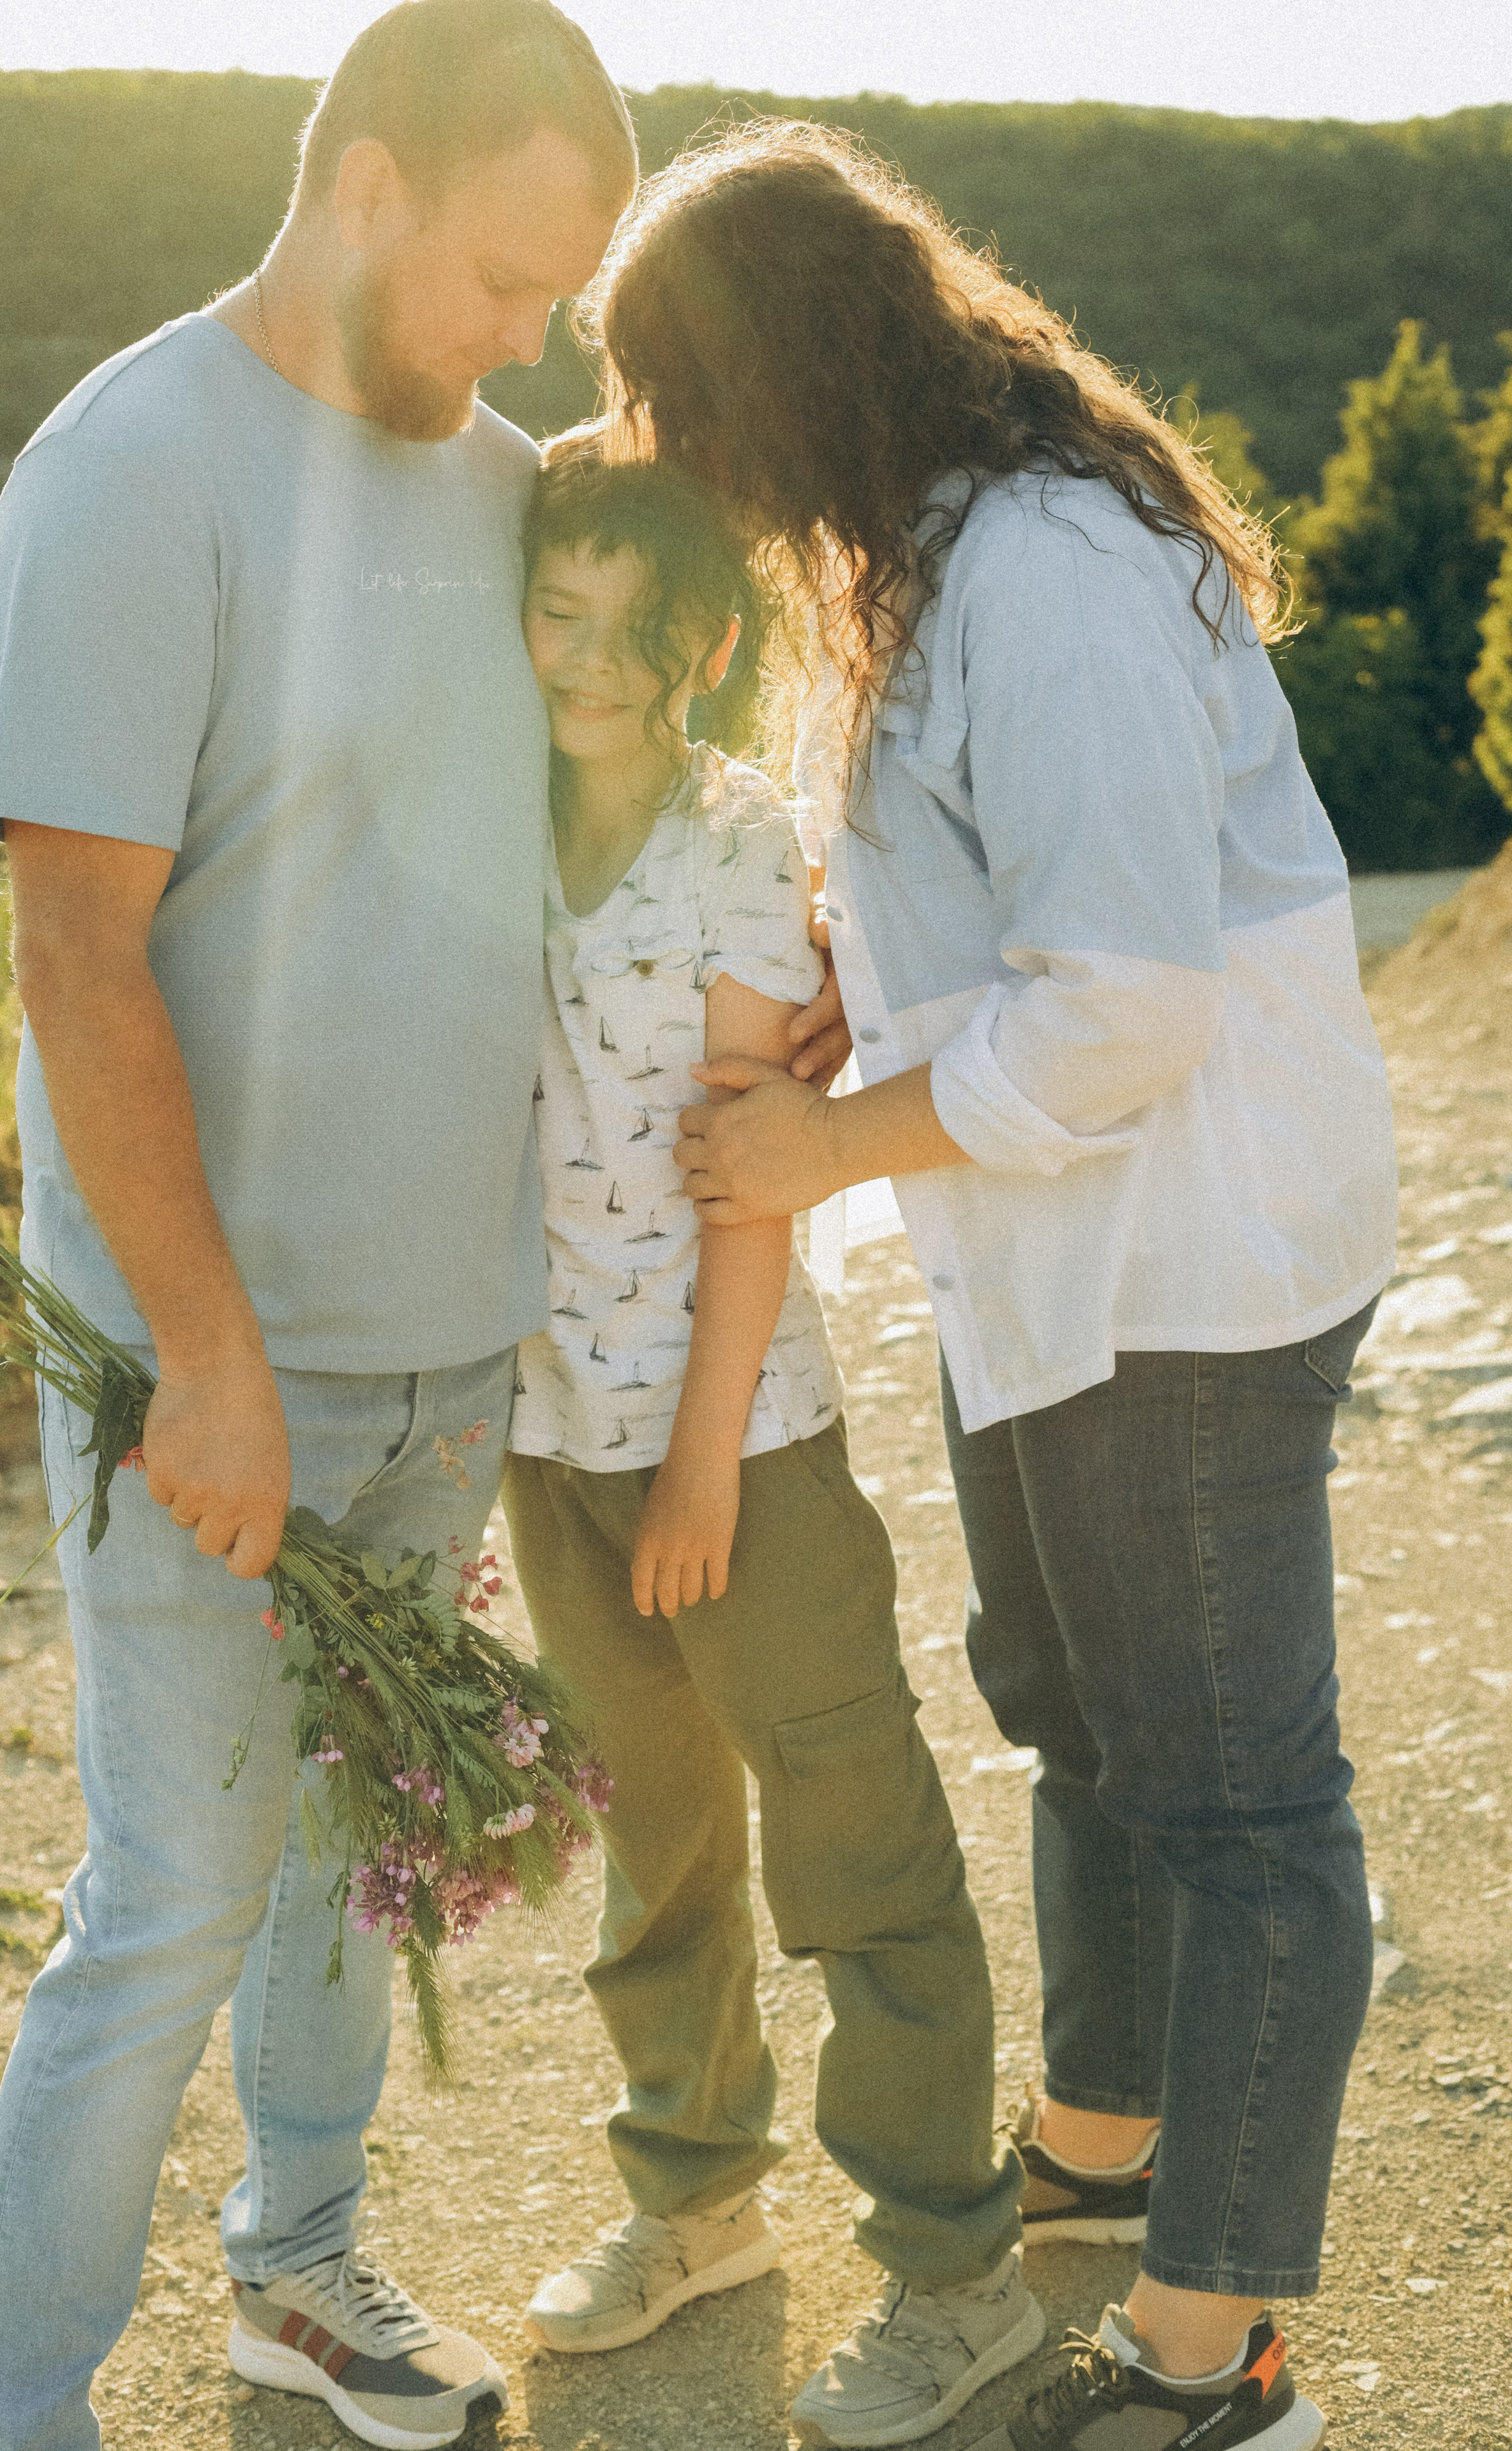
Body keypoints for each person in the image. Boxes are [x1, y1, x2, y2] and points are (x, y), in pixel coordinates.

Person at [590, 122, 1397, 2451]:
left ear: (786, 378)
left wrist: (827, 1133)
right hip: (1056, 1251)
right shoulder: (919, 559)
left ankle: (1211, 2344)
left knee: (1236, 1798)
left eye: (675, 404)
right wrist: (866, 987)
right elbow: (1000, 895)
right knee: (1078, 1714)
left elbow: (1131, 998)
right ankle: (1112, 2152)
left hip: (1184, 1267)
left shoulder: (1038, 563)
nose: (666, 462)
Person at [0, 11, 643, 2450]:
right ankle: (17, 2410)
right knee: (163, 1912)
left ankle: (301, 2270)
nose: (531, 337)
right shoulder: (136, 470)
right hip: (211, 1369)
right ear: (361, 185)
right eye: (498, 274)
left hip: (451, 1349)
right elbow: (74, 954)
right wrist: (211, 1360)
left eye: (560, 294)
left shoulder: (523, 488)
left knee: (366, 1856)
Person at [498, 446, 1044, 2446]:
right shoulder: (494, 817)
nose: (585, 660)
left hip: (741, 1437)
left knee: (852, 1836)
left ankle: (952, 2269)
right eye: (553, 613)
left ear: (699, 641)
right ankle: (696, 2201)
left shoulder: (735, 850)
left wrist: (710, 1461)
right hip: (548, 1431)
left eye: (624, 624)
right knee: (650, 1836)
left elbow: (751, 1176)